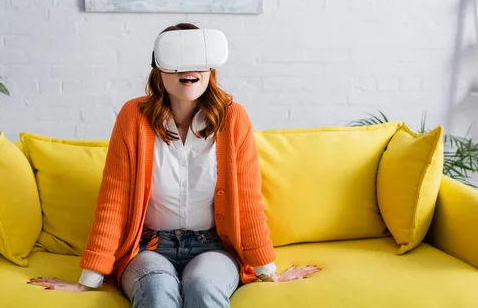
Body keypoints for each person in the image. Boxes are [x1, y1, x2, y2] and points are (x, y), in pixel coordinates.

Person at [28, 23, 321, 307]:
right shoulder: (133, 117)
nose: (188, 70)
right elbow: (113, 200)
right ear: (158, 66)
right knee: (157, 291)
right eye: (178, 60)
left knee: (204, 287)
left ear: (211, 67)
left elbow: (247, 200)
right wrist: (87, 281)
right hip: (148, 247)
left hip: (213, 247)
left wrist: (267, 272)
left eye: (198, 59)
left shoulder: (233, 118)